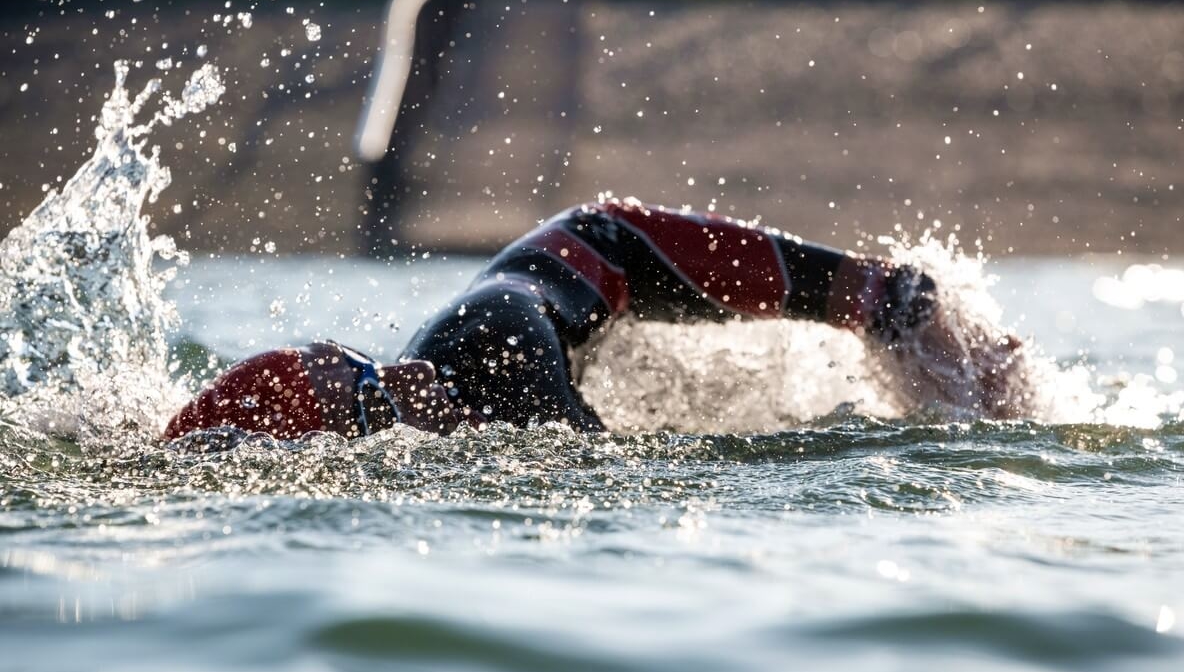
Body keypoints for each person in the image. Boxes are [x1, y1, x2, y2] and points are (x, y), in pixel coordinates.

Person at [163, 198, 1023, 441]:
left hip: (610, 247)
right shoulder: (444, 407)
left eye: (366, 377)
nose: (405, 386)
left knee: (889, 301)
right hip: (561, 286)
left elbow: (601, 470)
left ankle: (984, 379)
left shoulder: (499, 367)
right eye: (371, 400)